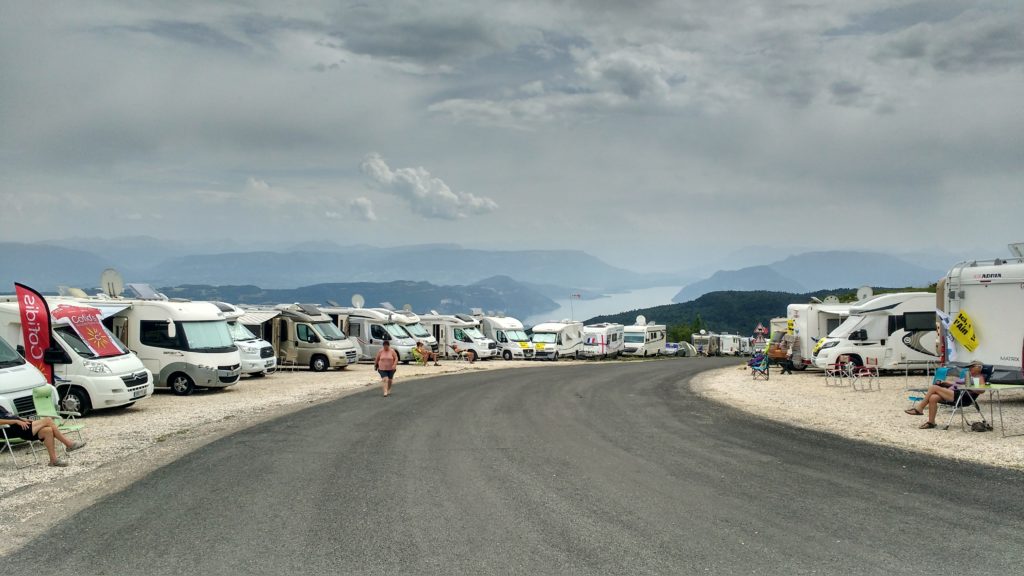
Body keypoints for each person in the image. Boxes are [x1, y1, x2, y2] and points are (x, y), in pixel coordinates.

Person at [904, 360, 986, 429]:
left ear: (978, 367)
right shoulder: (969, 376)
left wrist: (967, 387)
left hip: (963, 397)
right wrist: (946, 383)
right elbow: (956, 384)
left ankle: (919, 408)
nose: (969, 368)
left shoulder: (979, 377)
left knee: (933, 388)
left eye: (972, 367)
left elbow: (982, 391)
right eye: (969, 367)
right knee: (933, 397)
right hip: (956, 394)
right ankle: (931, 422)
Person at [0, 404, 86, 467]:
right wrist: (16, 421)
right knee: (48, 420)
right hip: (15, 430)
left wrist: (21, 419)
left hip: (23, 426)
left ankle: (53, 460)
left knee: (48, 431)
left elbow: (10, 416)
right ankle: (69, 444)